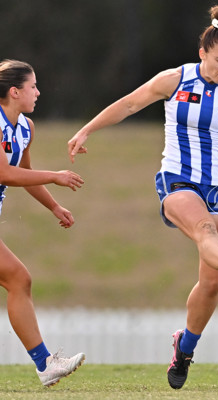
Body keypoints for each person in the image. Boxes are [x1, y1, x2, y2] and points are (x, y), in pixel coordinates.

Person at [67, 4, 218, 390]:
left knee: (211, 283)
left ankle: (184, 348)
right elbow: (128, 104)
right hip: (178, 180)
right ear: (203, 53)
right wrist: (86, 130)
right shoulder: (175, 80)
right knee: (205, 232)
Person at [0, 59, 85, 387]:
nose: (38, 91)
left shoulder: (25, 127)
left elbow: (24, 174)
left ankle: (45, 364)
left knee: (19, 280)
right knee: (19, 279)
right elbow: (5, 173)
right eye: (33, 86)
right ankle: (45, 364)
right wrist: (56, 175)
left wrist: (54, 206)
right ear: (14, 91)